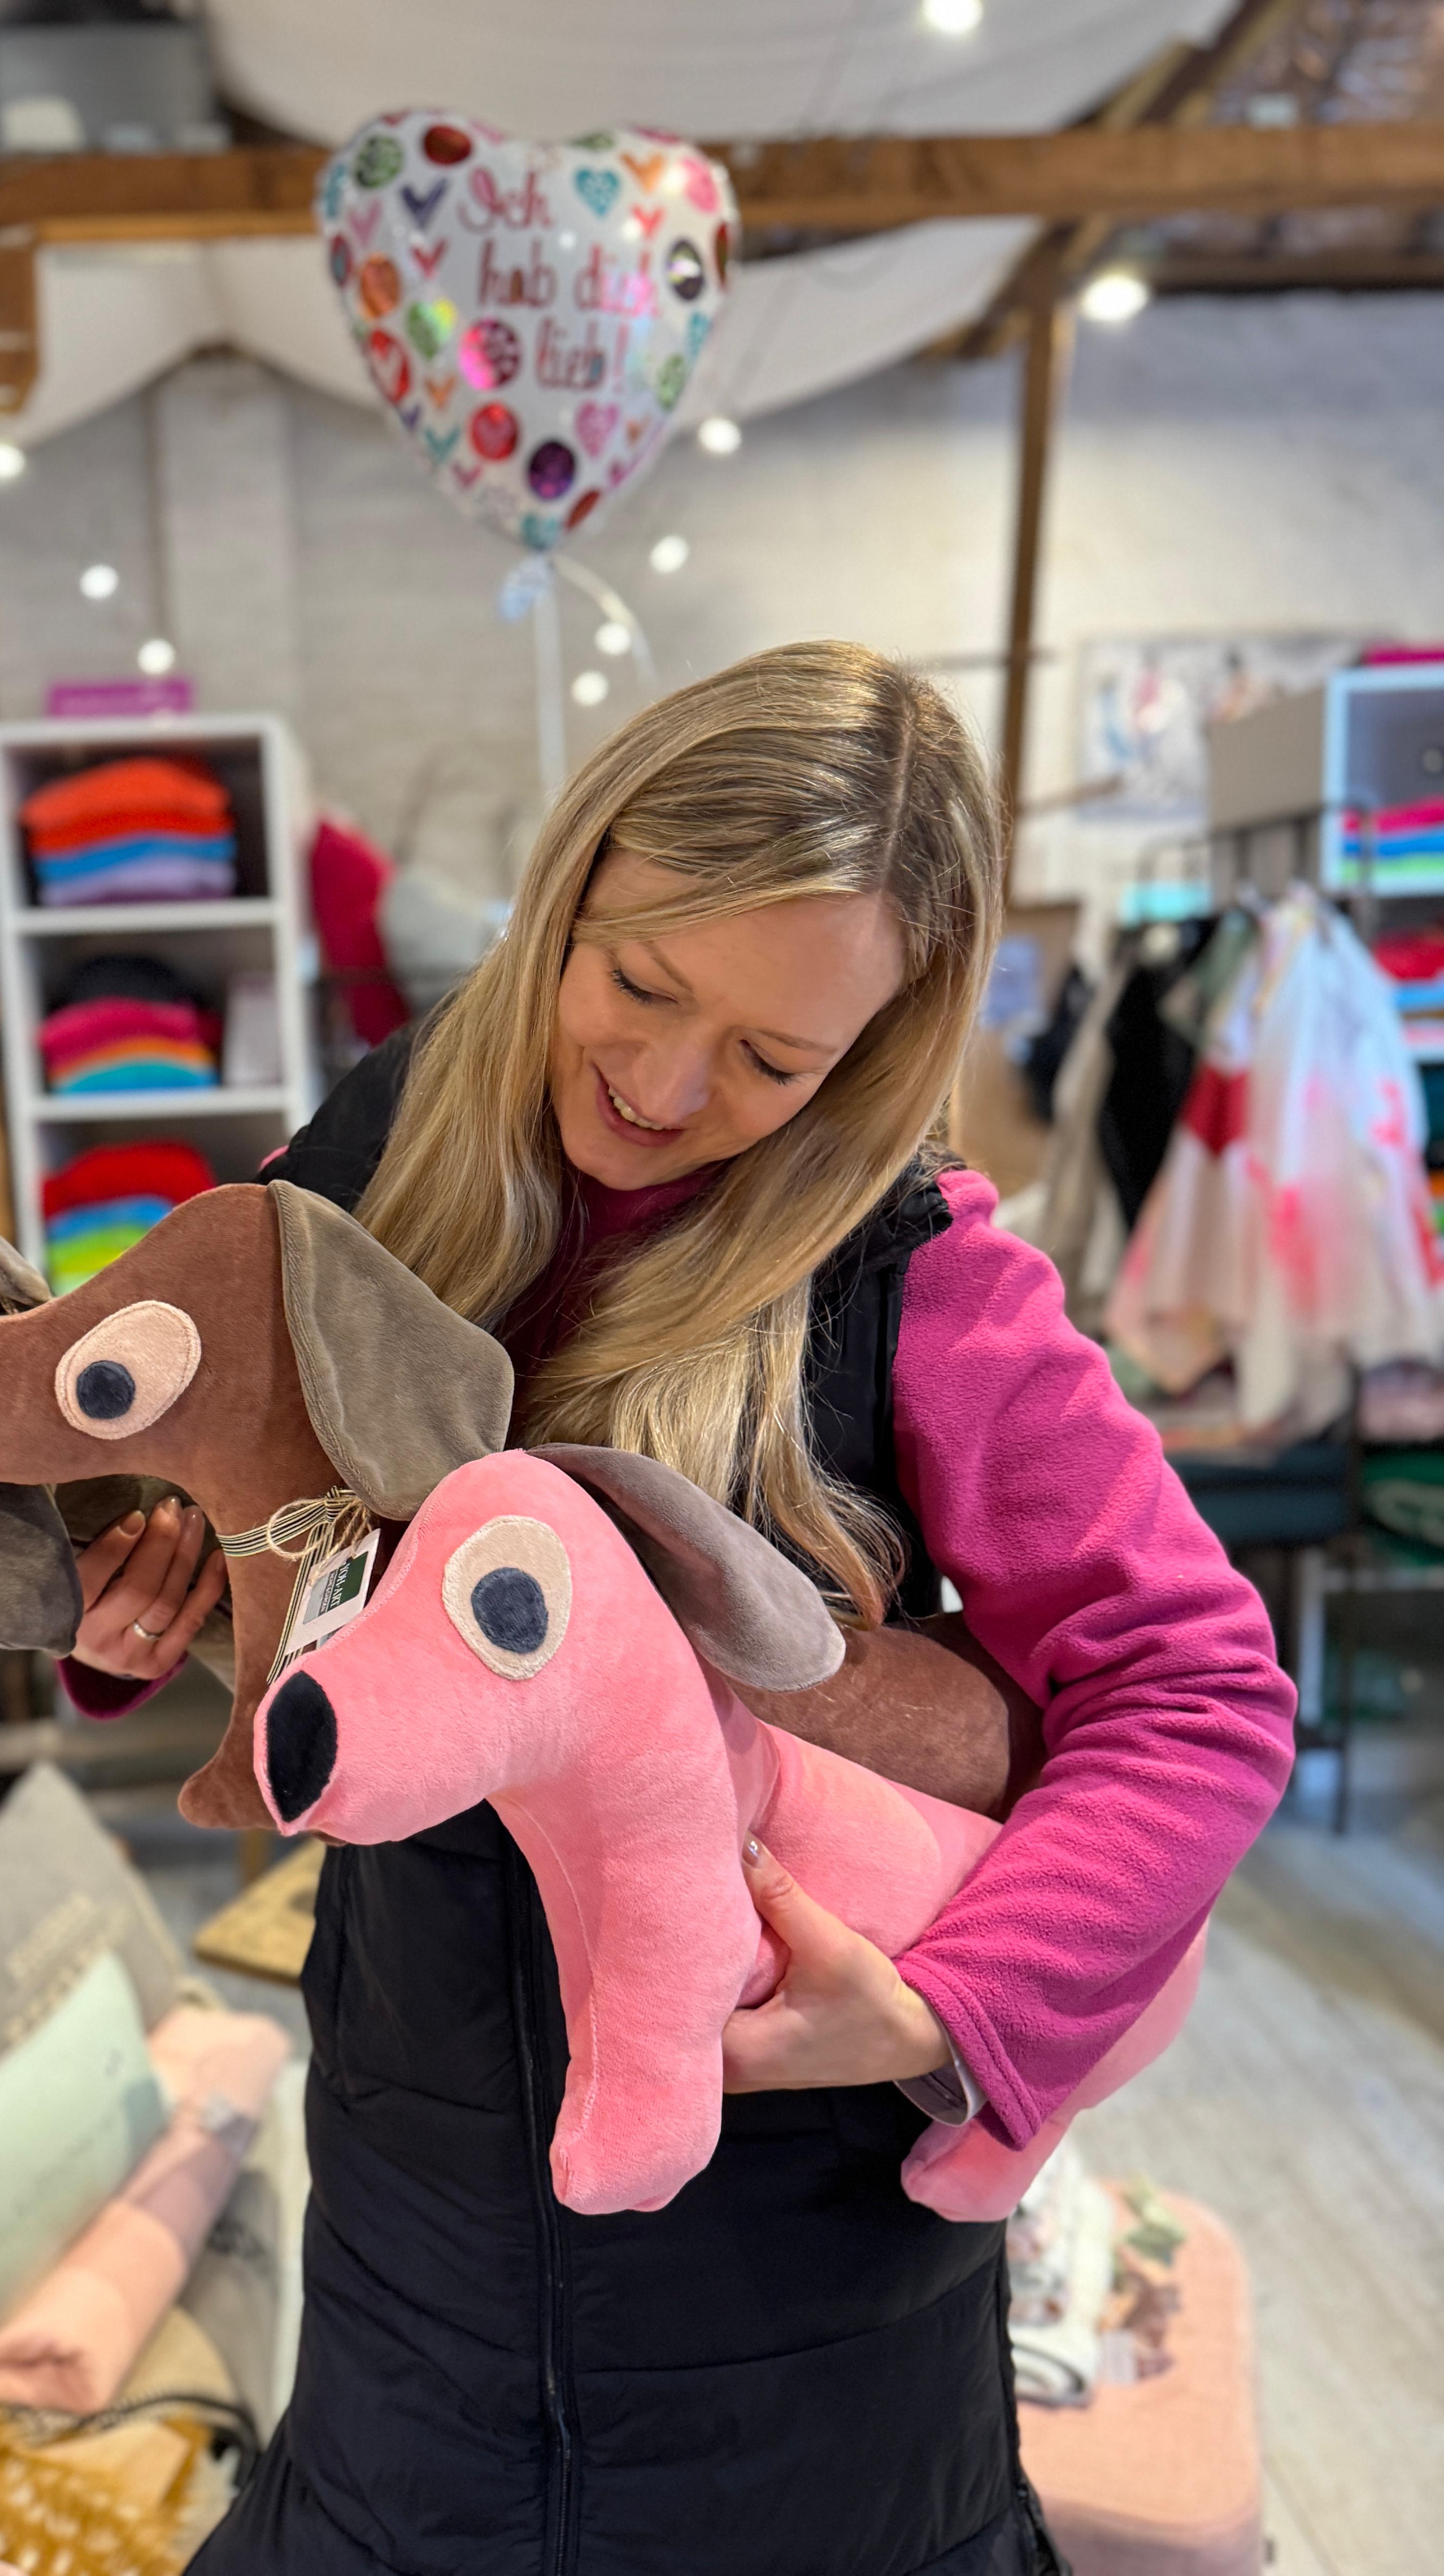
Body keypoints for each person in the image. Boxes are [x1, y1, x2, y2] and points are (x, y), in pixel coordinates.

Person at [64, 642, 1296, 2576]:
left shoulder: (919, 1274)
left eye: (774, 1061)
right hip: (416, 2198)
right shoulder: (364, 1164)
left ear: (873, 1054)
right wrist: (154, 1594)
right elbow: (269, 1534)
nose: (662, 1086)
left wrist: (960, 2003)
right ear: (572, 885)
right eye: (639, 985)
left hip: (800, 2267)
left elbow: (1199, 1689)